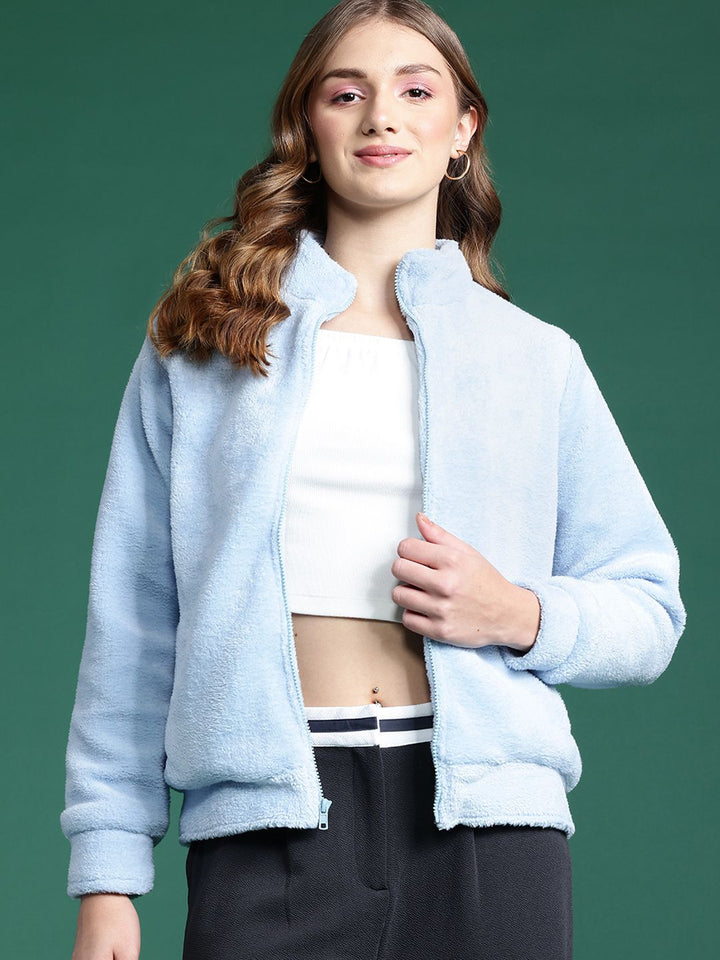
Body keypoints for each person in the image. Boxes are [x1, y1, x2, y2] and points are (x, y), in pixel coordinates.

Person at [60, 1, 687, 958]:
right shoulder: (207, 346)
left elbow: (649, 608)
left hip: (486, 830)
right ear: (307, 128)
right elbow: (135, 617)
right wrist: (107, 873)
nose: (381, 116)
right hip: (268, 825)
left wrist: (518, 613)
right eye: (346, 93)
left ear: (463, 130)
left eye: (416, 91)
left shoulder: (535, 360)